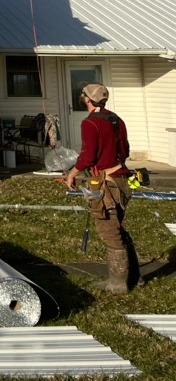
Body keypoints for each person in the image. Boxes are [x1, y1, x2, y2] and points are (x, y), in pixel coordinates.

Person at [64, 82, 139, 293]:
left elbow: (87, 157)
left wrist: (72, 174)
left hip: (107, 184)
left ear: (87, 99)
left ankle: (118, 283)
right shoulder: (117, 119)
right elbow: (125, 150)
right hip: (122, 179)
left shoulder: (90, 123)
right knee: (118, 228)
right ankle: (134, 277)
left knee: (109, 231)